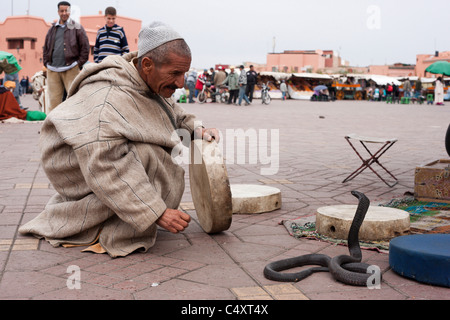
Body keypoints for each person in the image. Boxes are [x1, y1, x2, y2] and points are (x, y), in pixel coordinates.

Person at [19, 21, 219, 258]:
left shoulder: (143, 79)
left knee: (151, 153)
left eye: (184, 73)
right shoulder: (109, 98)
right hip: (78, 166)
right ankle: (109, 227)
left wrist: (198, 130)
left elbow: (171, 111)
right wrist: (155, 211)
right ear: (146, 64)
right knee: (148, 155)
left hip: (94, 155)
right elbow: (106, 164)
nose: (180, 82)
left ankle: (129, 210)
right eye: (175, 73)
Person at [43, 1, 90, 112]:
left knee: (74, 100)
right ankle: (52, 128)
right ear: (58, 12)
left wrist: (77, 64)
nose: (64, 13)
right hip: (53, 70)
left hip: (71, 69)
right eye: (62, 11)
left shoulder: (76, 27)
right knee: (54, 102)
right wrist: (46, 63)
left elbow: (85, 48)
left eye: (66, 11)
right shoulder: (52, 29)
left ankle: (74, 127)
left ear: (70, 11)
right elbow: (46, 47)